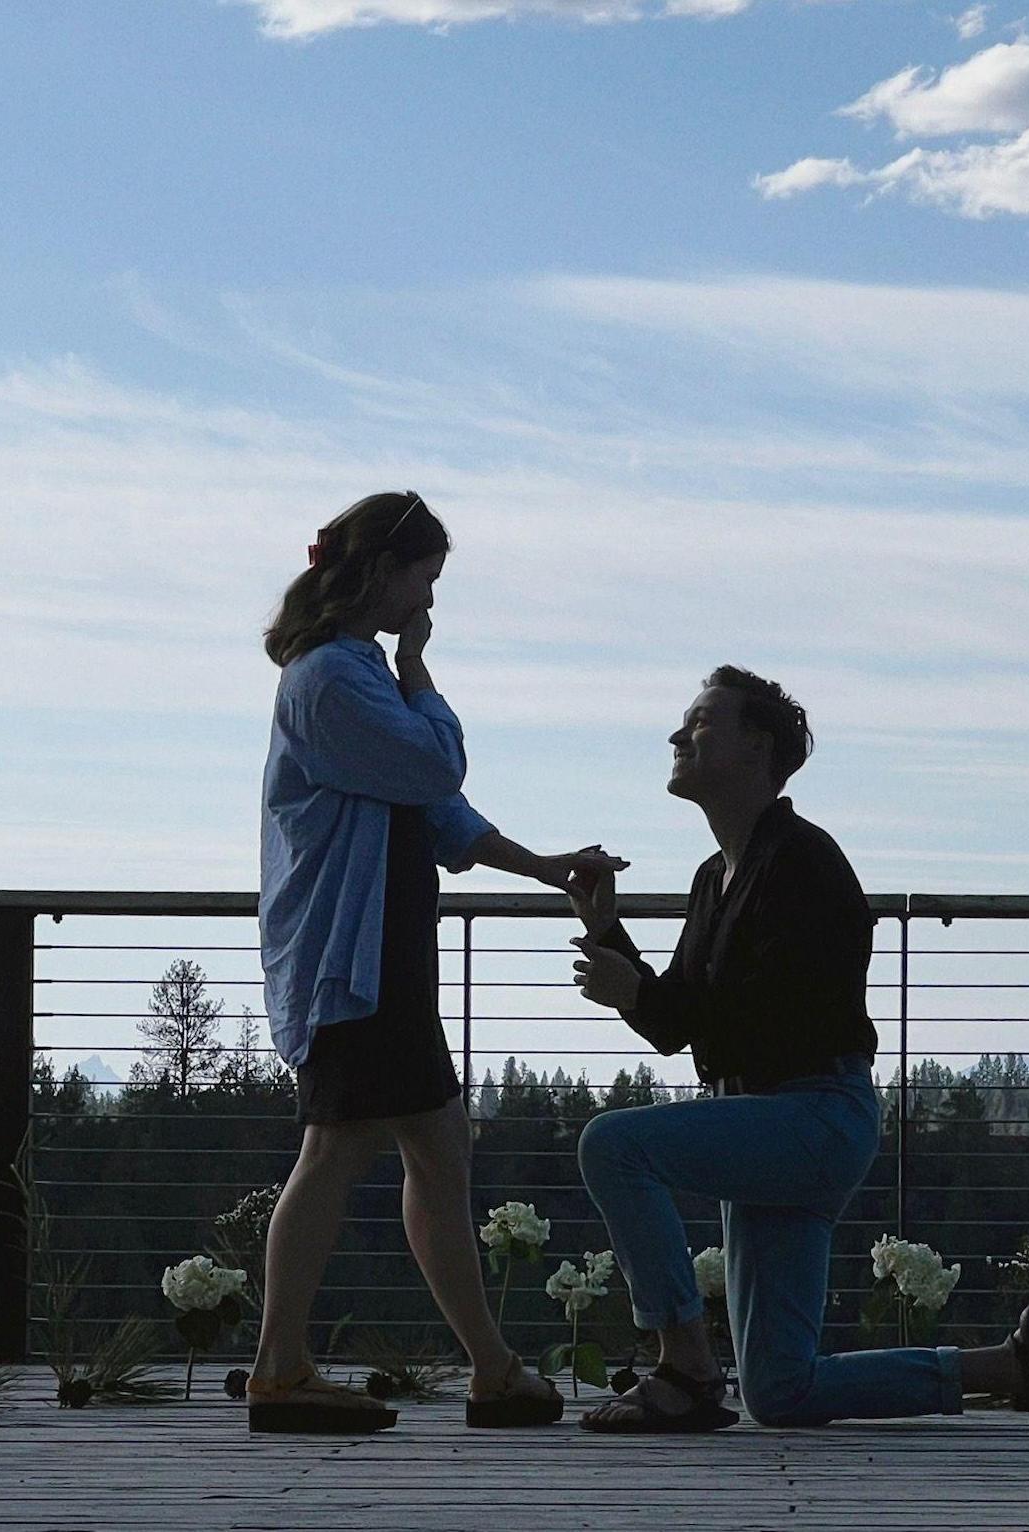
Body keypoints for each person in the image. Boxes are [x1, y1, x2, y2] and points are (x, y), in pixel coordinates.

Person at [565, 666, 1029, 1434]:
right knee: (781, 1393)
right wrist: (606, 930)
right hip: (771, 1125)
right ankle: (1013, 1365)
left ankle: (685, 1363)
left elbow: (762, 1019)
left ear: (756, 747)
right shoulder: (714, 878)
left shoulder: (804, 862)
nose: (677, 735)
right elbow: (675, 1020)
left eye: (699, 722)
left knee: (613, 1147)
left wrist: (641, 990)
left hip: (813, 1117)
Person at [249, 490, 627, 1434]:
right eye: (426, 575)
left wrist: (542, 867)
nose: (430, 597)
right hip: (355, 954)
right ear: (381, 571)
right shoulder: (334, 679)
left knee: (433, 1144)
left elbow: (432, 812)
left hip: (380, 950)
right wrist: (423, 675)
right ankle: (286, 1368)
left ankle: (484, 1368)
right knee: (347, 1146)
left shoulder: (353, 673)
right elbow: (433, 772)